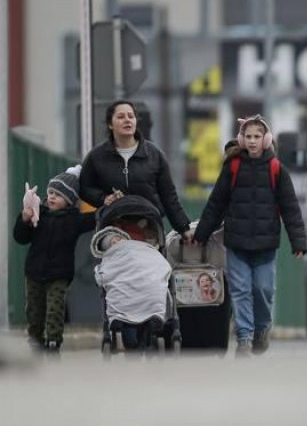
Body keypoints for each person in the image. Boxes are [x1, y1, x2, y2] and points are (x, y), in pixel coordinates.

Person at [193, 115, 307, 357]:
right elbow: (216, 204)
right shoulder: (232, 167)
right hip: (237, 244)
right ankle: (244, 338)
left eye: (257, 136)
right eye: (248, 136)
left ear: (266, 140)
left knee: (263, 290)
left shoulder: (277, 170)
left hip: (266, 246)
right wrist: (201, 233)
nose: (253, 141)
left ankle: (262, 329)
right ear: (241, 139)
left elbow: (290, 208)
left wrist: (298, 241)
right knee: (240, 291)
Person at [80, 100, 192, 242]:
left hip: (149, 227)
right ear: (110, 124)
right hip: (113, 229)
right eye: (121, 117)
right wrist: (103, 198)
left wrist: (184, 229)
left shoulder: (154, 154)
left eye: (131, 116)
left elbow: (169, 196)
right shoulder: (97, 156)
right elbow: (84, 187)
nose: (127, 120)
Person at [13, 166, 96, 352]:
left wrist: (109, 205)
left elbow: (95, 218)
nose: (51, 197)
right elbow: (20, 237)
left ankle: (53, 340)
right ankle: (35, 340)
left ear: (68, 200)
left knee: (55, 308)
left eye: (57, 195)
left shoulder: (74, 220)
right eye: (50, 192)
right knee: (34, 310)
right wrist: (25, 218)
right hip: (34, 272)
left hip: (59, 274)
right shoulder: (37, 215)